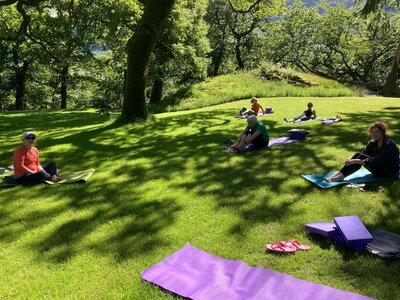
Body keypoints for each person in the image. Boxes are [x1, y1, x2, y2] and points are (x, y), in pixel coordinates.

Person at [325, 121, 399, 182]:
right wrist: (350, 159)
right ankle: (338, 175)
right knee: (358, 155)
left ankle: (340, 177)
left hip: (387, 173)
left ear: (383, 132)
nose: (374, 134)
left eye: (377, 132)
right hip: (378, 169)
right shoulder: (373, 142)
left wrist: (355, 161)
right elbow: (364, 154)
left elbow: (376, 161)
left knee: (357, 160)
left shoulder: (389, 145)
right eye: (372, 132)